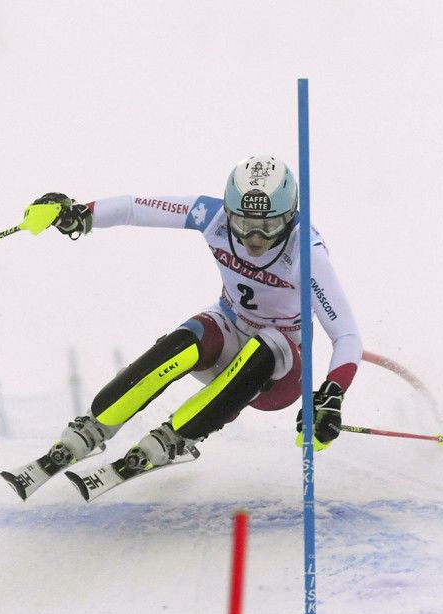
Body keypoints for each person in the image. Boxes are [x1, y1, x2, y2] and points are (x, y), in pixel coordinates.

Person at [20, 156, 361, 485]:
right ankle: (94, 426)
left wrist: (332, 394)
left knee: (267, 343)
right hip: (228, 334)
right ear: (229, 213)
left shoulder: (306, 252)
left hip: (278, 374)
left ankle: (176, 437)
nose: (254, 239)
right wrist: (81, 214)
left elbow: (346, 335)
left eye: (269, 227)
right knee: (191, 335)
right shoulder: (212, 216)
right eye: (244, 225)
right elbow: (134, 208)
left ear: (289, 216)